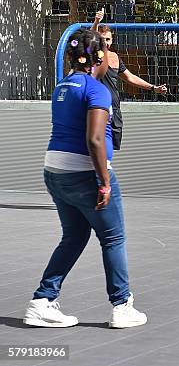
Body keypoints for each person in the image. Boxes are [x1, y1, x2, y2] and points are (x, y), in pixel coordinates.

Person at [24, 29, 147, 328]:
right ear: (101, 58)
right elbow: (94, 139)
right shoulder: (97, 90)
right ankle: (121, 305)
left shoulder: (62, 86)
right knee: (113, 238)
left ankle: (42, 301)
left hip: (54, 171)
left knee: (75, 235)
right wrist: (103, 181)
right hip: (85, 173)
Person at [92, 9, 168, 150]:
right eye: (102, 39)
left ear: (112, 40)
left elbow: (130, 77)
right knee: (97, 150)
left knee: (110, 152)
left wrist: (153, 87)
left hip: (114, 110)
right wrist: (96, 21)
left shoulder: (115, 57)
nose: (105, 42)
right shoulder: (94, 55)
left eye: (107, 39)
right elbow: (91, 39)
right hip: (97, 109)